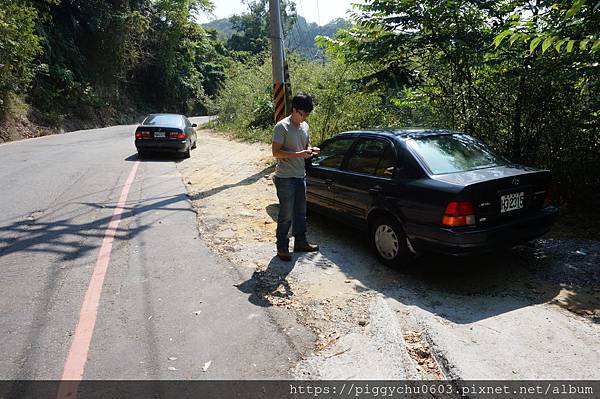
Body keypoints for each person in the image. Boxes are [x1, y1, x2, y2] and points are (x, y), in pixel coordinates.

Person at [271, 92, 321, 261]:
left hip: (300, 176)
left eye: (307, 114)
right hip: (285, 178)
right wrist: (299, 154)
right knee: (286, 214)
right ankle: (282, 247)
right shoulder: (281, 127)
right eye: (303, 114)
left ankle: (301, 242)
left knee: (301, 213)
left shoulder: (305, 127)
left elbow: (304, 147)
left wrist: (311, 150)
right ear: (294, 110)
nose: (305, 117)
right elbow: (276, 152)